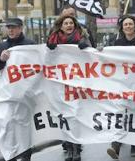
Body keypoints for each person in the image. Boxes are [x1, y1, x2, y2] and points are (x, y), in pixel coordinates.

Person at [47, 15, 91, 161]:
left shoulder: (82, 37)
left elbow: (92, 56)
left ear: (75, 25)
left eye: (71, 23)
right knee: (64, 116)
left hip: (77, 84)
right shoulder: (53, 39)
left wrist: (86, 46)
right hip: (60, 85)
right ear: (61, 26)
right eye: (65, 23)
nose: (68, 25)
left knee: (75, 116)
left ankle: (76, 148)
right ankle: (69, 145)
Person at [0, 18, 35, 161]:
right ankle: (11, 155)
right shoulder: (2, 46)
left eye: (14, 27)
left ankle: (26, 155)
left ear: (21, 28)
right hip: (9, 95)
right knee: (8, 124)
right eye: (8, 27)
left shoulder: (30, 45)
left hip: (26, 94)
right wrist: (1, 60)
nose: (10, 30)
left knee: (24, 125)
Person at [107, 15, 135, 159]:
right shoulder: (117, 43)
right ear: (122, 28)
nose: (128, 26)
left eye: (130, 24)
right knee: (119, 113)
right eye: (125, 25)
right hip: (121, 83)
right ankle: (115, 145)